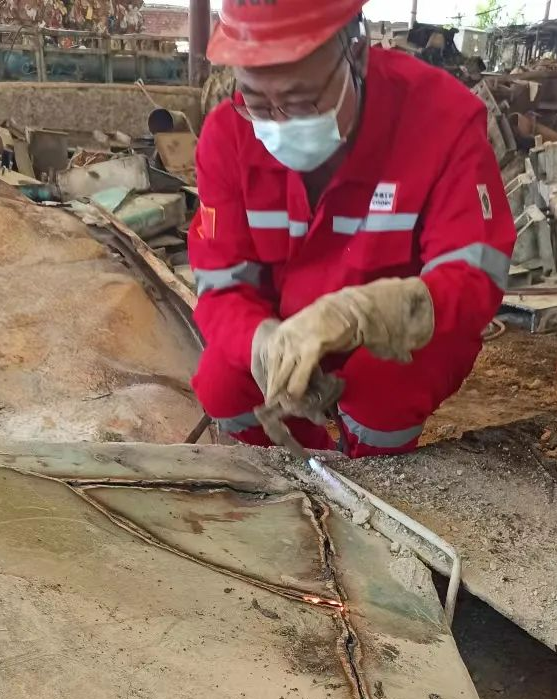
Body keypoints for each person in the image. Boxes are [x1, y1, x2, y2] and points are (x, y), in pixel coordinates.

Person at [189, 0, 516, 458]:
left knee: (383, 391)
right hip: (286, 328)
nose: (279, 122)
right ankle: (298, 468)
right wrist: (262, 343)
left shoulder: (441, 120)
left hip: (397, 334)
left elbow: (474, 275)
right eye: (258, 102)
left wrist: (362, 314)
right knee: (224, 384)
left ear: (357, 55)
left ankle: (375, 474)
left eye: (301, 101)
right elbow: (220, 284)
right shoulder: (227, 135)